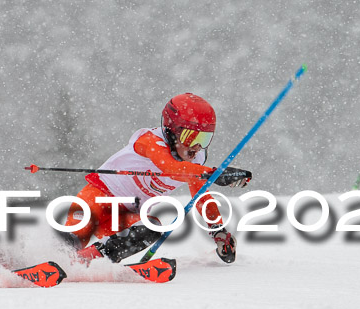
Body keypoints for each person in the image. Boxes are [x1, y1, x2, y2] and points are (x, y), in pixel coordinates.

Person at [63, 93, 252, 264]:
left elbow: (201, 195)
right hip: (99, 197)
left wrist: (218, 230)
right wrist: (214, 173)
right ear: (172, 131)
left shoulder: (197, 161)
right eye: (189, 137)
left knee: (152, 228)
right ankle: (57, 259)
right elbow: (171, 168)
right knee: (71, 240)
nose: (195, 147)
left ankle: (90, 262)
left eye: (203, 139)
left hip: (126, 216)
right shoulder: (151, 141)